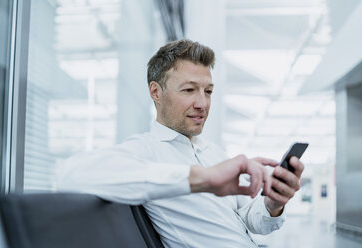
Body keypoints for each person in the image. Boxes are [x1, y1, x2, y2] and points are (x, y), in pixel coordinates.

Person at [57, 39, 304, 247]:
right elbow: (70, 174)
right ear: (156, 92)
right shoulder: (146, 149)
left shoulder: (214, 153)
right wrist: (204, 178)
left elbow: (248, 220)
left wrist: (273, 203)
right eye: (189, 90)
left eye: (208, 91)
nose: (202, 104)